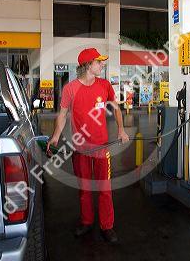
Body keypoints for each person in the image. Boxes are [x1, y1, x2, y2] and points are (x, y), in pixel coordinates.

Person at [47, 48, 129, 243]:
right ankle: (86, 221)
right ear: (87, 65)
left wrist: (121, 129)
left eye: (102, 62)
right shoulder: (70, 89)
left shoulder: (104, 85)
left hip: (101, 147)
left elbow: (116, 108)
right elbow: (63, 114)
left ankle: (107, 226)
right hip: (80, 148)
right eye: (99, 62)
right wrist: (56, 136)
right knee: (84, 189)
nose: (102, 65)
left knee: (104, 189)